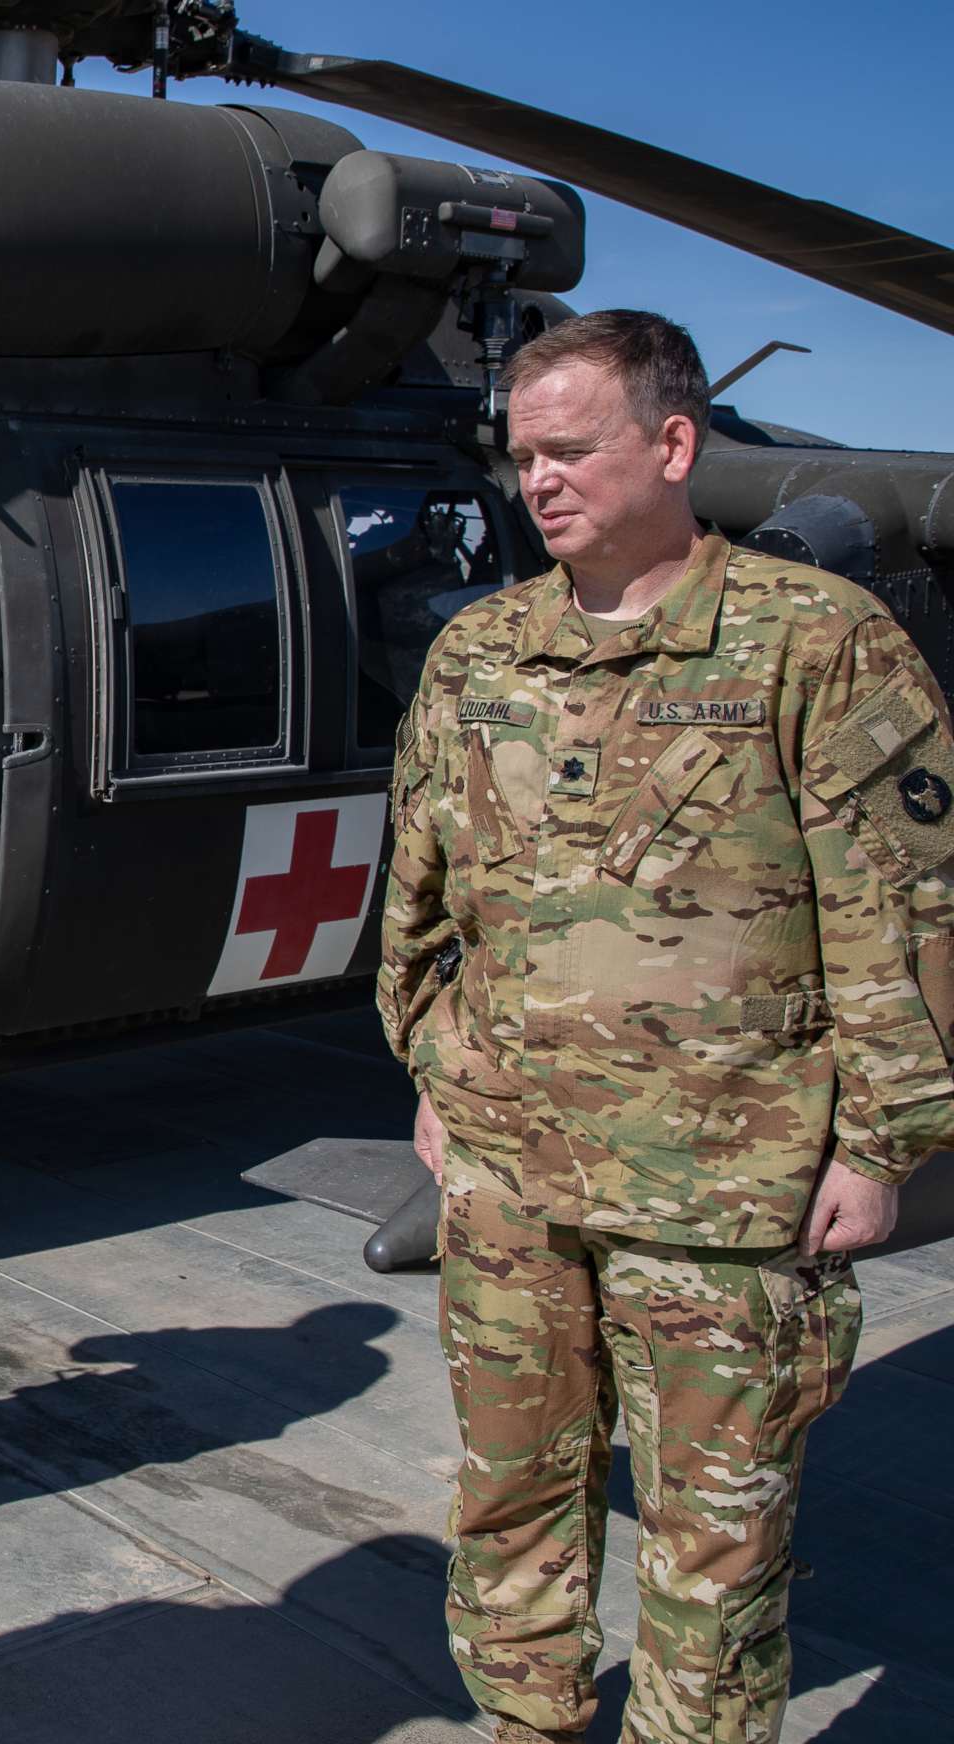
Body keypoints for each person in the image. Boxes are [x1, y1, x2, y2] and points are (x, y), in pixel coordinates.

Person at [377, 310, 954, 1743]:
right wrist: (436, 1068)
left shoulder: (814, 644)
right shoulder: (482, 654)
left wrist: (883, 1146)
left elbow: (908, 915)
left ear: (674, 444)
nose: (539, 483)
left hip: (725, 1199)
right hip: (509, 1175)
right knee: (510, 1490)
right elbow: (423, 895)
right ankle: (529, 1718)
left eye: (571, 449)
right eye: (523, 457)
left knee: (715, 1541)